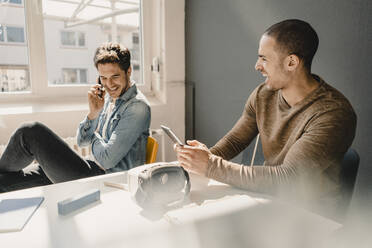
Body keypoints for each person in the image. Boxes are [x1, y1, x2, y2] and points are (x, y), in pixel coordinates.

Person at [176, 19, 356, 217]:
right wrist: (197, 160)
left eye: (264, 58)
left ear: (291, 62)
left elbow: (288, 179)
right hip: (269, 203)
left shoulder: (333, 114)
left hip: (311, 217)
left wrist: (210, 165)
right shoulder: (264, 95)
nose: (257, 66)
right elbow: (235, 141)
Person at [0, 42, 151, 193]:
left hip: (104, 181)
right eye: (103, 78)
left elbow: (107, 159)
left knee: (31, 132)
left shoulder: (137, 107)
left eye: (115, 76)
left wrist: (94, 136)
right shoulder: (109, 98)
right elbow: (81, 141)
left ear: (129, 70)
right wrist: (93, 114)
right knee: (5, 181)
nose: (109, 84)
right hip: (90, 167)